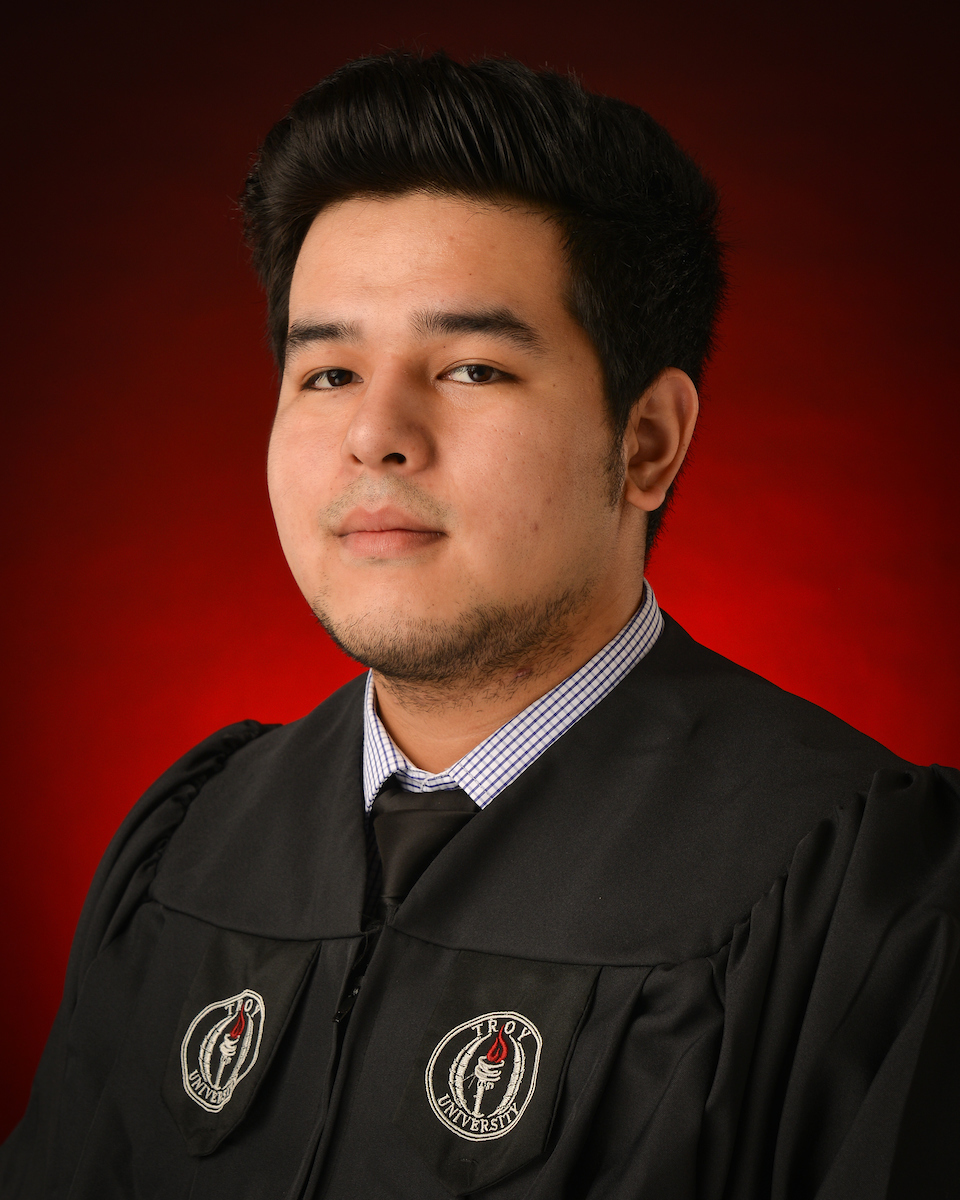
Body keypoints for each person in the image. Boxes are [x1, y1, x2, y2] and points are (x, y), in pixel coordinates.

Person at [2, 49, 957, 1200]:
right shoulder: (195, 844)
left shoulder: (858, 894)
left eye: (468, 369)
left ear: (647, 441)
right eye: (326, 374)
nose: (376, 435)